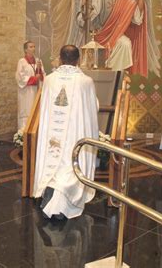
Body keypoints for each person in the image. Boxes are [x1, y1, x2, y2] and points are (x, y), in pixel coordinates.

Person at [33, 45, 99, 220]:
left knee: (54, 163)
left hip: (53, 135)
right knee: (69, 164)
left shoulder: (50, 79)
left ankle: (51, 197)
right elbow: (92, 109)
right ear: (78, 60)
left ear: (61, 59)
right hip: (73, 133)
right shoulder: (86, 82)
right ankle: (63, 203)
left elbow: (45, 108)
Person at [80, 0, 150, 76]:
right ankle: (105, 72)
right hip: (100, 35)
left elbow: (137, 17)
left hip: (117, 35)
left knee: (125, 43)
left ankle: (116, 74)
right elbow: (87, 15)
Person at [16, 41, 46, 129]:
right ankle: (22, 133)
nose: (33, 48)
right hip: (26, 92)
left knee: (35, 111)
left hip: (36, 91)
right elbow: (20, 77)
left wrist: (39, 70)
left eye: (34, 46)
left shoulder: (38, 61)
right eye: (31, 47)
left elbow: (43, 75)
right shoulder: (22, 62)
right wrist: (34, 78)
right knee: (26, 111)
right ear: (25, 50)